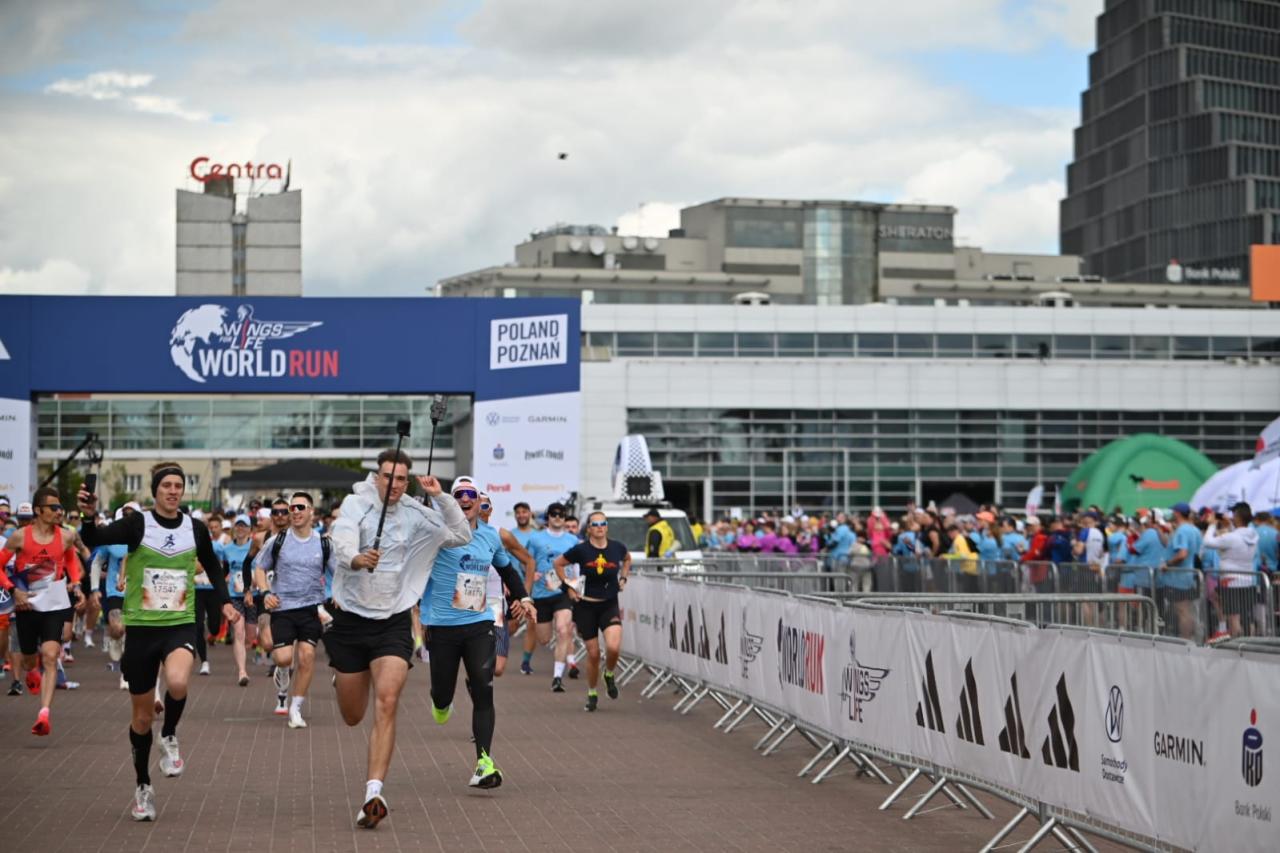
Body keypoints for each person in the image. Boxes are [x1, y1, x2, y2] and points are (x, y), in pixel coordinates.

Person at [76, 462, 239, 822]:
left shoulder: (195, 528)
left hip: (179, 623)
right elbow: (93, 539)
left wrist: (226, 601)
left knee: (178, 682)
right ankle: (143, 785)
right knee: (141, 718)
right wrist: (88, 516)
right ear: (155, 491)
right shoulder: (138, 524)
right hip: (141, 628)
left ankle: (170, 735)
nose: (173, 491)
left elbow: (212, 566)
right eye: (167, 485)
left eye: (178, 485)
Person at [328, 449, 470, 829]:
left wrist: (441, 497)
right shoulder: (356, 504)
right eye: (388, 476)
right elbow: (341, 540)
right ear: (377, 477)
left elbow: (461, 534)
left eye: (402, 479)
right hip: (349, 621)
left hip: (392, 621)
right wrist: (357, 558)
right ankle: (343, 676)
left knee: (388, 701)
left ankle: (373, 794)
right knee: (353, 716)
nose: (394, 485)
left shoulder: (415, 513)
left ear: (408, 482)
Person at [420, 479, 535, 788]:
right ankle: (441, 703)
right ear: (452, 501)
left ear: (479, 502)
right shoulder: (437, 533)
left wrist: (524, 598)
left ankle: (484, 763)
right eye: (459, 495)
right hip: (442, 627)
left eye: (471, 494)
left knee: (483, 688)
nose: (466, 499)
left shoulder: (489, 536)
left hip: (479, 624)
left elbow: (507, 570)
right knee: (442, 694)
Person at [0, 487, 84, 736]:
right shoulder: (20, 537)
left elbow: (71, 560)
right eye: (53, 507)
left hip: (53, 603)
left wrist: (75, 583)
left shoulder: (66, 537)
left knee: (50, 654)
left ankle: (44, 714)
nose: (59, 512)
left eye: (60, 507)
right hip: (27, 604)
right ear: (38, 510)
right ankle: (31, 670)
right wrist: (13, 590)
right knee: (29, 660)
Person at [254, 492, 332, 728]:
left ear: (311, 512)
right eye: (292, 508)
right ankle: (282, 670)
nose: (295, 512)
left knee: (307, 657)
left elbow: (339, 572)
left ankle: (295, 708)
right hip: (283, 608)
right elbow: (259, 568)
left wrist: (340, 595)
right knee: (283, 658)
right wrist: (265, 593)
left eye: (300, 507)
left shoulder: (323, 543)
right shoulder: (277, 541)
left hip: (311, 608)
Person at [554, 511, 630, 712]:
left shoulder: (617, 547)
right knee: (594, 654)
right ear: (588, 528)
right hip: (585, 606)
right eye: (595, 524)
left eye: (603, 523)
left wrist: (623, 578)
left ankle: (609, 674)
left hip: (609, 604)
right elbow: (558, 563)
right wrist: (569, 586)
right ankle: (592, 692)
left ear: (607, 526)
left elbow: (627, 559)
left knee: (613, 647)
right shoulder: (581, 550)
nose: (599, 527)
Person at [478, 494, 536, 678]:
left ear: (491, 510)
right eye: (477, 504)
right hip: (467, 603)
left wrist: (524, 596)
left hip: (495, 602)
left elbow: (529, 561)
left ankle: (477, 677)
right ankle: (477, 678)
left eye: (485, 506)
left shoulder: (501, 534)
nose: (480, 509)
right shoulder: (459, 533)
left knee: (498, 668)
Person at [523, 501, 579, 692]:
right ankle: (561, 650)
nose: (557, 517)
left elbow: (577, 565)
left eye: (561, 514)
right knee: (544, 639)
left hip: (563, 592)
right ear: (548, 517)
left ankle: (557, 677)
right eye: (554, 514)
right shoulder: (536, 539)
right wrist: (531, 574)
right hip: (542, 594)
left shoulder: (572, 540)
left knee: (563, 630)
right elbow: (526, 561)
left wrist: (576, 585)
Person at [1203, 502, 1259, 639]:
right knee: (1246, 616)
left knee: (1234, 617)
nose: (1231, 517)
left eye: (1233, 515)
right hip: (1248, 581)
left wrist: (1212, 525)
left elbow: (1207, 542)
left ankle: (1237, 645)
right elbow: (1239, 535)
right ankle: (1250, 643)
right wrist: (1230, 525)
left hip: (1230, 581)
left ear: (1238, 517)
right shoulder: (1253, 535)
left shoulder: (1231, 537)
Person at [221, 515, 254, 686]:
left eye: (244, 526)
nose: (240, 529)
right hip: (234, 595)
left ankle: (256, 650)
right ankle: (242, 671)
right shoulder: (227, 549)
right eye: (238, 526)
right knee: (238, 632)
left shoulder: (255, 546)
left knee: (251, 635)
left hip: (254, 596)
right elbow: (225, 570)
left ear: (250, 529)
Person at [1163, 503, 1202, 640]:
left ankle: (1186, 640)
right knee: (1186, 611)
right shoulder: (1194, 529)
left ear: (1177, 513)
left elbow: (1182, 554)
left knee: (1182, 611)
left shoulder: (1182, 530)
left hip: (1178, 578)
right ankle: (1189, 639)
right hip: (1188, 576)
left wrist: (1167, 564)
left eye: (1173, 512)